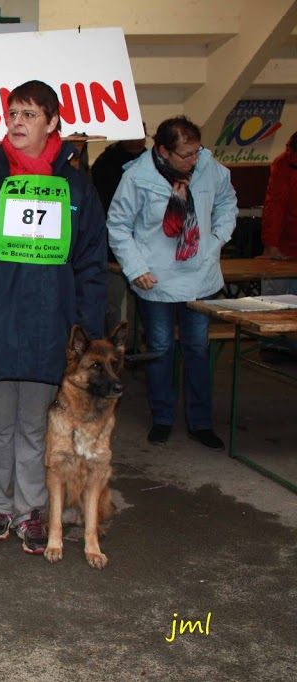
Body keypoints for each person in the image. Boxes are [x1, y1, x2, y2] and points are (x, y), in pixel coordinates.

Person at [0, 80, 106, 554]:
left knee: (35, 428)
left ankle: (31, 512)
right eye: (12, 113)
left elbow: (91, 264)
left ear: (52, 123)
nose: (17, 122)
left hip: (50, 328)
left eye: (29, 115)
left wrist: (89, 336)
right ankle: (0, 506)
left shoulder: (77, 188)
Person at [108, 116, 238, 449]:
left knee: (197, 348)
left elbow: (226, 201)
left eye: (197, 151)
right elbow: (119, 225)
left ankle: (200, 422)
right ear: (163, 151)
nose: (194, 160)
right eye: (186, 155)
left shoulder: (209, 167)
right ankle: (162, 417)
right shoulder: (138, 176)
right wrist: (136, 268)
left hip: (200, 275)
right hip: (156, 279)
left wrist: (218, 237)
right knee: (161, 350)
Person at [91, 130, 147, 336]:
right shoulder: (106, 163)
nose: (137, 139)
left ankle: (135, 341)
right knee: (111, 301)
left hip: (143, 243)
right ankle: (112, 341)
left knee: (141, 301)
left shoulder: (151, 162)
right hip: (110, 243)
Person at [257, 131, 297, 357]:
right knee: (277, 297)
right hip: (284, 245)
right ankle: (272, 343)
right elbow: (275, 207)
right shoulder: (283, 165)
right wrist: (271, 245)